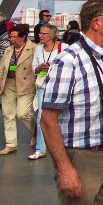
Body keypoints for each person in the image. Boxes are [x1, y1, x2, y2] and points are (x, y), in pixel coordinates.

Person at [41, 0, 103, 205]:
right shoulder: (68, 61)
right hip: (82, 159)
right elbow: (48, 120)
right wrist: (65, 169)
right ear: (96, 23)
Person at [0, 23, 37, 155]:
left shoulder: (33, 49)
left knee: (23, 113)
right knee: (8, 114)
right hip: (9, 84)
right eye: (11, 37)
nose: (12, 39)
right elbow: (2, 71)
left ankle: (36, 132)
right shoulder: (8, 50)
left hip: (25, 85)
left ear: (24, 37)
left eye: (15, 37)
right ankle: (11, 144)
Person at [30, 24, 66, 160]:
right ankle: (40, 148)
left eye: (43, 33)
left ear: (51, 35)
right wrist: (40, 67)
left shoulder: (64, 48)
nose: (40, 36)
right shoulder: (39, 49)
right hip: (43, 85)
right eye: (40, 33)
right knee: (41, 117)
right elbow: (34, 68)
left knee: (60, 115)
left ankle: (61, 144)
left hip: (58, 86)